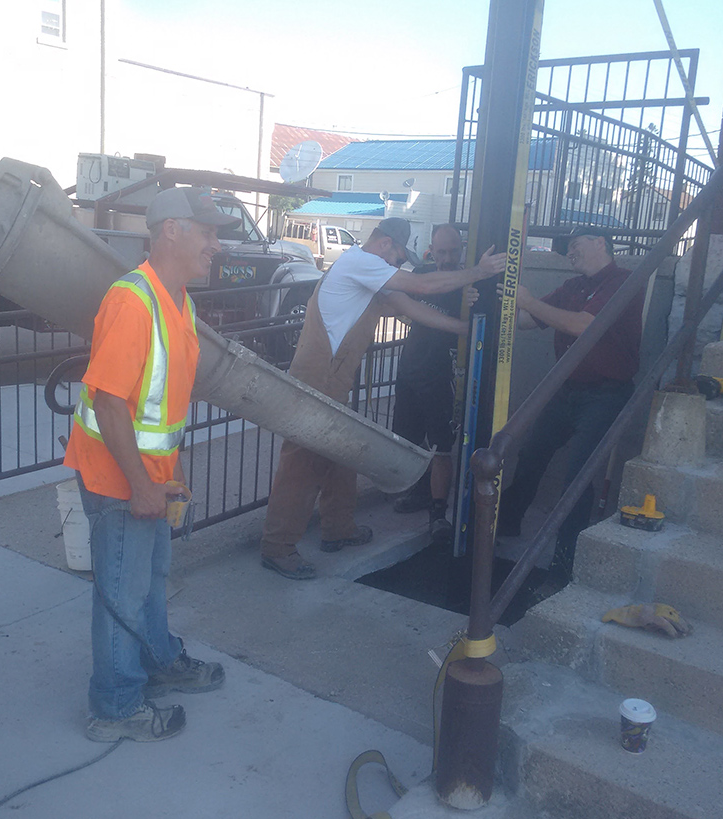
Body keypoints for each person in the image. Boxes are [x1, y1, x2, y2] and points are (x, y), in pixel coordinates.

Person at [64, 186, 235, 742]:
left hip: (147, 478)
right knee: (122, 590)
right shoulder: (134, 300)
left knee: (150, 580)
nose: (216, 243)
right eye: (207, 231)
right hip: (119, 481)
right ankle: (114, 709)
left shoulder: (176, 299)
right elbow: (110, 401)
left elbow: (158, 408)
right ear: (171, 230)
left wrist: (170, 474)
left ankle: (157, 661)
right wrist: (140, 485)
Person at [261, 217, 506, 579]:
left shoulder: (365, 273)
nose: (395, 265)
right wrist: (477, 272)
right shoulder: (362, 262)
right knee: (303, 460)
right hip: (320, 375)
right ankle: (278, 547)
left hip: (331, 377)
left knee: (342, 449)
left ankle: (339, 527)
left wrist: (464, 329)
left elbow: (410, 305)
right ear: (386, 244)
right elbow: (422, 283)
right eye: (396, 257)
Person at [498, 226, 643, 579]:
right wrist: (493, 303)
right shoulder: (572, 287)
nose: (570, 253)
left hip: (606, 394)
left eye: (575, 245)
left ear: (600, 243)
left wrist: (528, 301)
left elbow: (583, 326)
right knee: (532, 453)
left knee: (578, 475)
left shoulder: (623, 281)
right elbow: (528, 321)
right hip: (567, 390)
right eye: (566, 249)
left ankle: (566, 558)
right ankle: (506, 525)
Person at [391, 224, 477, 543]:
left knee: (441, 446)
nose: (447, 258)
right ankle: (420, 493)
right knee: (409, 440)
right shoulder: (422, 274)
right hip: (411, 368)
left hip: (443, 374)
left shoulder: (468, 282)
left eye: (453, 251)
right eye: (441, 251)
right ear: (431, 249)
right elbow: (398, 307)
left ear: (461, 249)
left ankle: (438, 513)